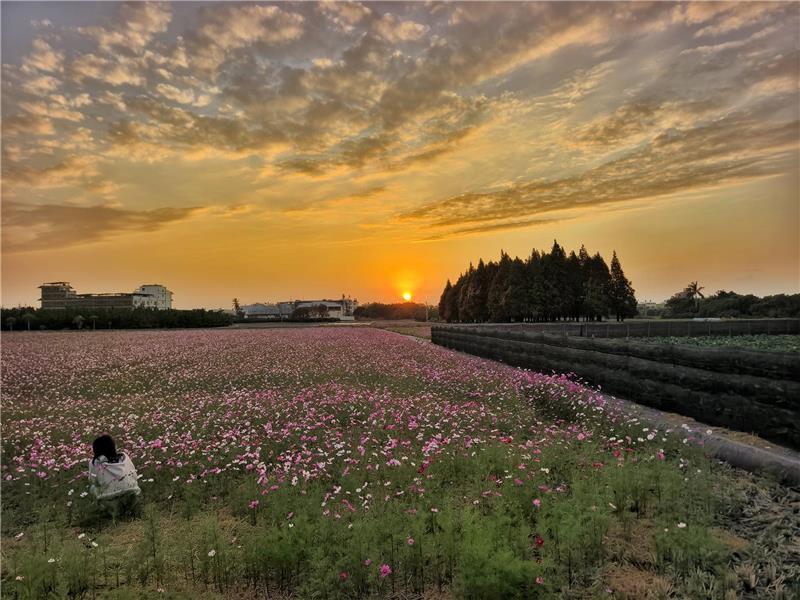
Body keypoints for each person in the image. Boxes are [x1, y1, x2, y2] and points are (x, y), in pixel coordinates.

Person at [88, 434, 141, 518]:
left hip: (109, 499)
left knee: (92, 488)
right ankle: (129, 511)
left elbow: (93, 481)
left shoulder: (94, 463)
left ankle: (108, 512)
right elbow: (134, 475)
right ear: (113, 446)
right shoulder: (124, 457)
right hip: (132, 493)